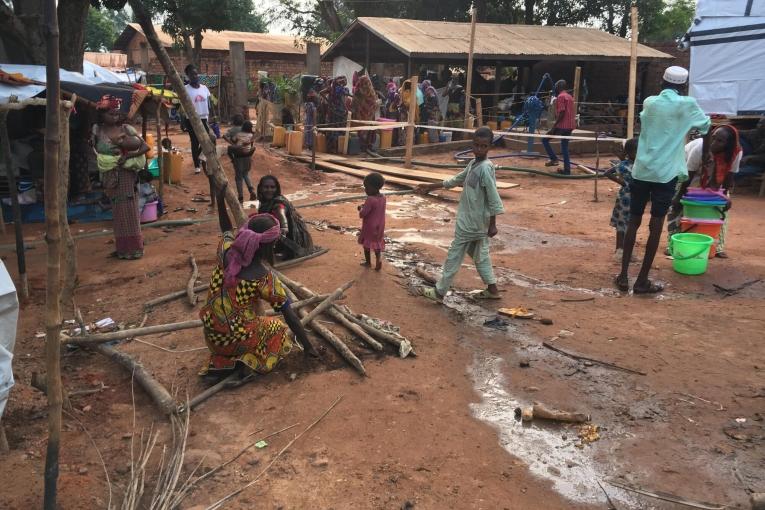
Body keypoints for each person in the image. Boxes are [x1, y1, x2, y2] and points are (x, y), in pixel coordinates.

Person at [198, 184, 320, 383]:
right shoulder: (264, 278)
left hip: (212, 336)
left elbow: (226, 229)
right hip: (234, 340)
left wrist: (220, 201)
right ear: (269, 245)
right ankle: (248, 363)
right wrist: (309, 346)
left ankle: (223, 362)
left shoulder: (225, 253)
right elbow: (289, 315)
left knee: (240, 321)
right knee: (277, 328)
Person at [616, 66, 710, 294]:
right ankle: (642, 281)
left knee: (633, 221)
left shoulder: (650, 102)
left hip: (642, 169)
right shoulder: (687, 104)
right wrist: (705, 157)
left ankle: (622, 277)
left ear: (662, 84)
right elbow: (706, 127)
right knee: (656, 225)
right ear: (683, 86)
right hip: (665, 173)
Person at [415, 127, 504, 302]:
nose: (479, 149)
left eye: (483, 146)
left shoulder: (486, 169)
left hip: (472, 222)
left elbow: (494, 197)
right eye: (476, 145)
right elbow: (455, 180)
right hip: (475, 222)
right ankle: (492, 289)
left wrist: (493, 223)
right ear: (472, 145)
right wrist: (429, 186)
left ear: (489, 147)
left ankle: (440, 292)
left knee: (454, 255)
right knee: (481, 255)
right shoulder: (473, 164)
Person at [668, 125, 741, 258]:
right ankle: (673, 243)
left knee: (719, 209)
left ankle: (716, 246)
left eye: (720, 141)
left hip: (717, 174)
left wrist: (724, 197)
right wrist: (679, 197)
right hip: (687, 169)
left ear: (729, 145)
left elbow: (729, 176)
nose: (714, 143)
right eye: (713, 138)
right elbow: (687, 177)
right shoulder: (700, 148)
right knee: (678, 207)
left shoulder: (735, 152)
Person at [92, 95, 149, 260]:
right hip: (110, 174)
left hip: (125, 174)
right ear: (102, 114)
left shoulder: (126, 130)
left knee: (129, 209)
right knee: (117, 211)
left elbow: (145, 147)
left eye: (116, 113)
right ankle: (122, 249)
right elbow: (96, 149)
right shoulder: (98, 130)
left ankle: (135, 249)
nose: (114, 116)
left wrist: (127, 158)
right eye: (110, 113)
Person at [256, 175, 315, 260]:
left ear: (277, 189)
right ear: (260, 188)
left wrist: (284, 227)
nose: (269, 190)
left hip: (290, 238)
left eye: (272, 187)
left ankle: (285, 252)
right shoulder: (265, 203)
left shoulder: (278, 204)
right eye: (266, 187)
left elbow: (281, 215)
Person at [606, 138, 638, 261]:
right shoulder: (624, 165)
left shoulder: (640, 165)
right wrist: (624, 183)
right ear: (629, 153)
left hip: (636, 199)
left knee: (632, 225)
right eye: (637, 151)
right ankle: (619, 251)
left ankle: (628, 251)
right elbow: (607, 173)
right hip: (625, 199)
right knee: (621, 224)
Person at [542, 79, 576, 175]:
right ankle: (567, 170)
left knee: (545, 140)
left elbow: (561, 113)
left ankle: (554, 159)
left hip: (562, 125)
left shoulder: (561, 97)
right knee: (564, 147)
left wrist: (554, 127)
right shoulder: (570, 97)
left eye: (556, 86)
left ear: (559, 87)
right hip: (570, 125)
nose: (555, 88)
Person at [183, 64, 212, 175]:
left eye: (196, 73)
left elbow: (209, 103)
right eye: (192, 74)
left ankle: (199, 157)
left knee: (208, 139)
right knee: (195, 142)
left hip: (204, 118)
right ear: (188, 76)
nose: (195, 76)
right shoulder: (185, 89)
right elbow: (183, 105)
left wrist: (212, 116)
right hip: (191, 120)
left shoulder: (204, 88)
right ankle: (196, 165)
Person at [358, 172, 386, 271]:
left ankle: (368, 262)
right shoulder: (383, 197)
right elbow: (377, 209)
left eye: (366, 187)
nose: (365, 190)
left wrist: (360, 209)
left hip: (369, 227)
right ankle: (378, 259)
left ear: (373, 187)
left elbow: (363, 214)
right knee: (377, 243)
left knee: (367, 244)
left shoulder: (370, 199)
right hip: (380, 226)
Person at [229, 121, 256, 203]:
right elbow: (251, 146)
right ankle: (252, 191)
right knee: (246, 174)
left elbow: (233, 141)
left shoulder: (238, 134)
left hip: (238, 157)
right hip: (247, 157)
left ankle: (240, 197)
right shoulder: (251, 136)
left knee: (238, 177)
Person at [352, 75, 379, 152]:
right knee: (364, 130)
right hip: (363, 116)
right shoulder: (365, 92)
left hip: (364, 116)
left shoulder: (364, 91)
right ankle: (366, 146)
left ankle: (366, 146)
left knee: (365, 131)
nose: (366, 85)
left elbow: (373, 103)